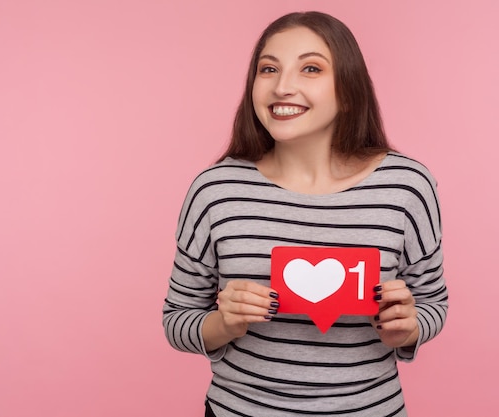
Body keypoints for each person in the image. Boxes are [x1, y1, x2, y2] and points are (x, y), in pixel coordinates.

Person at [162, 11, 448, 417]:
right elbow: (178, 319)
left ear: (348, 90)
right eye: (268, 69)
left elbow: (433, 302)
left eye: (310, 68)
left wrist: (409, 325)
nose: (282, 87)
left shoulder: (407, 185)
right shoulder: (215, 188)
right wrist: (224, 324)